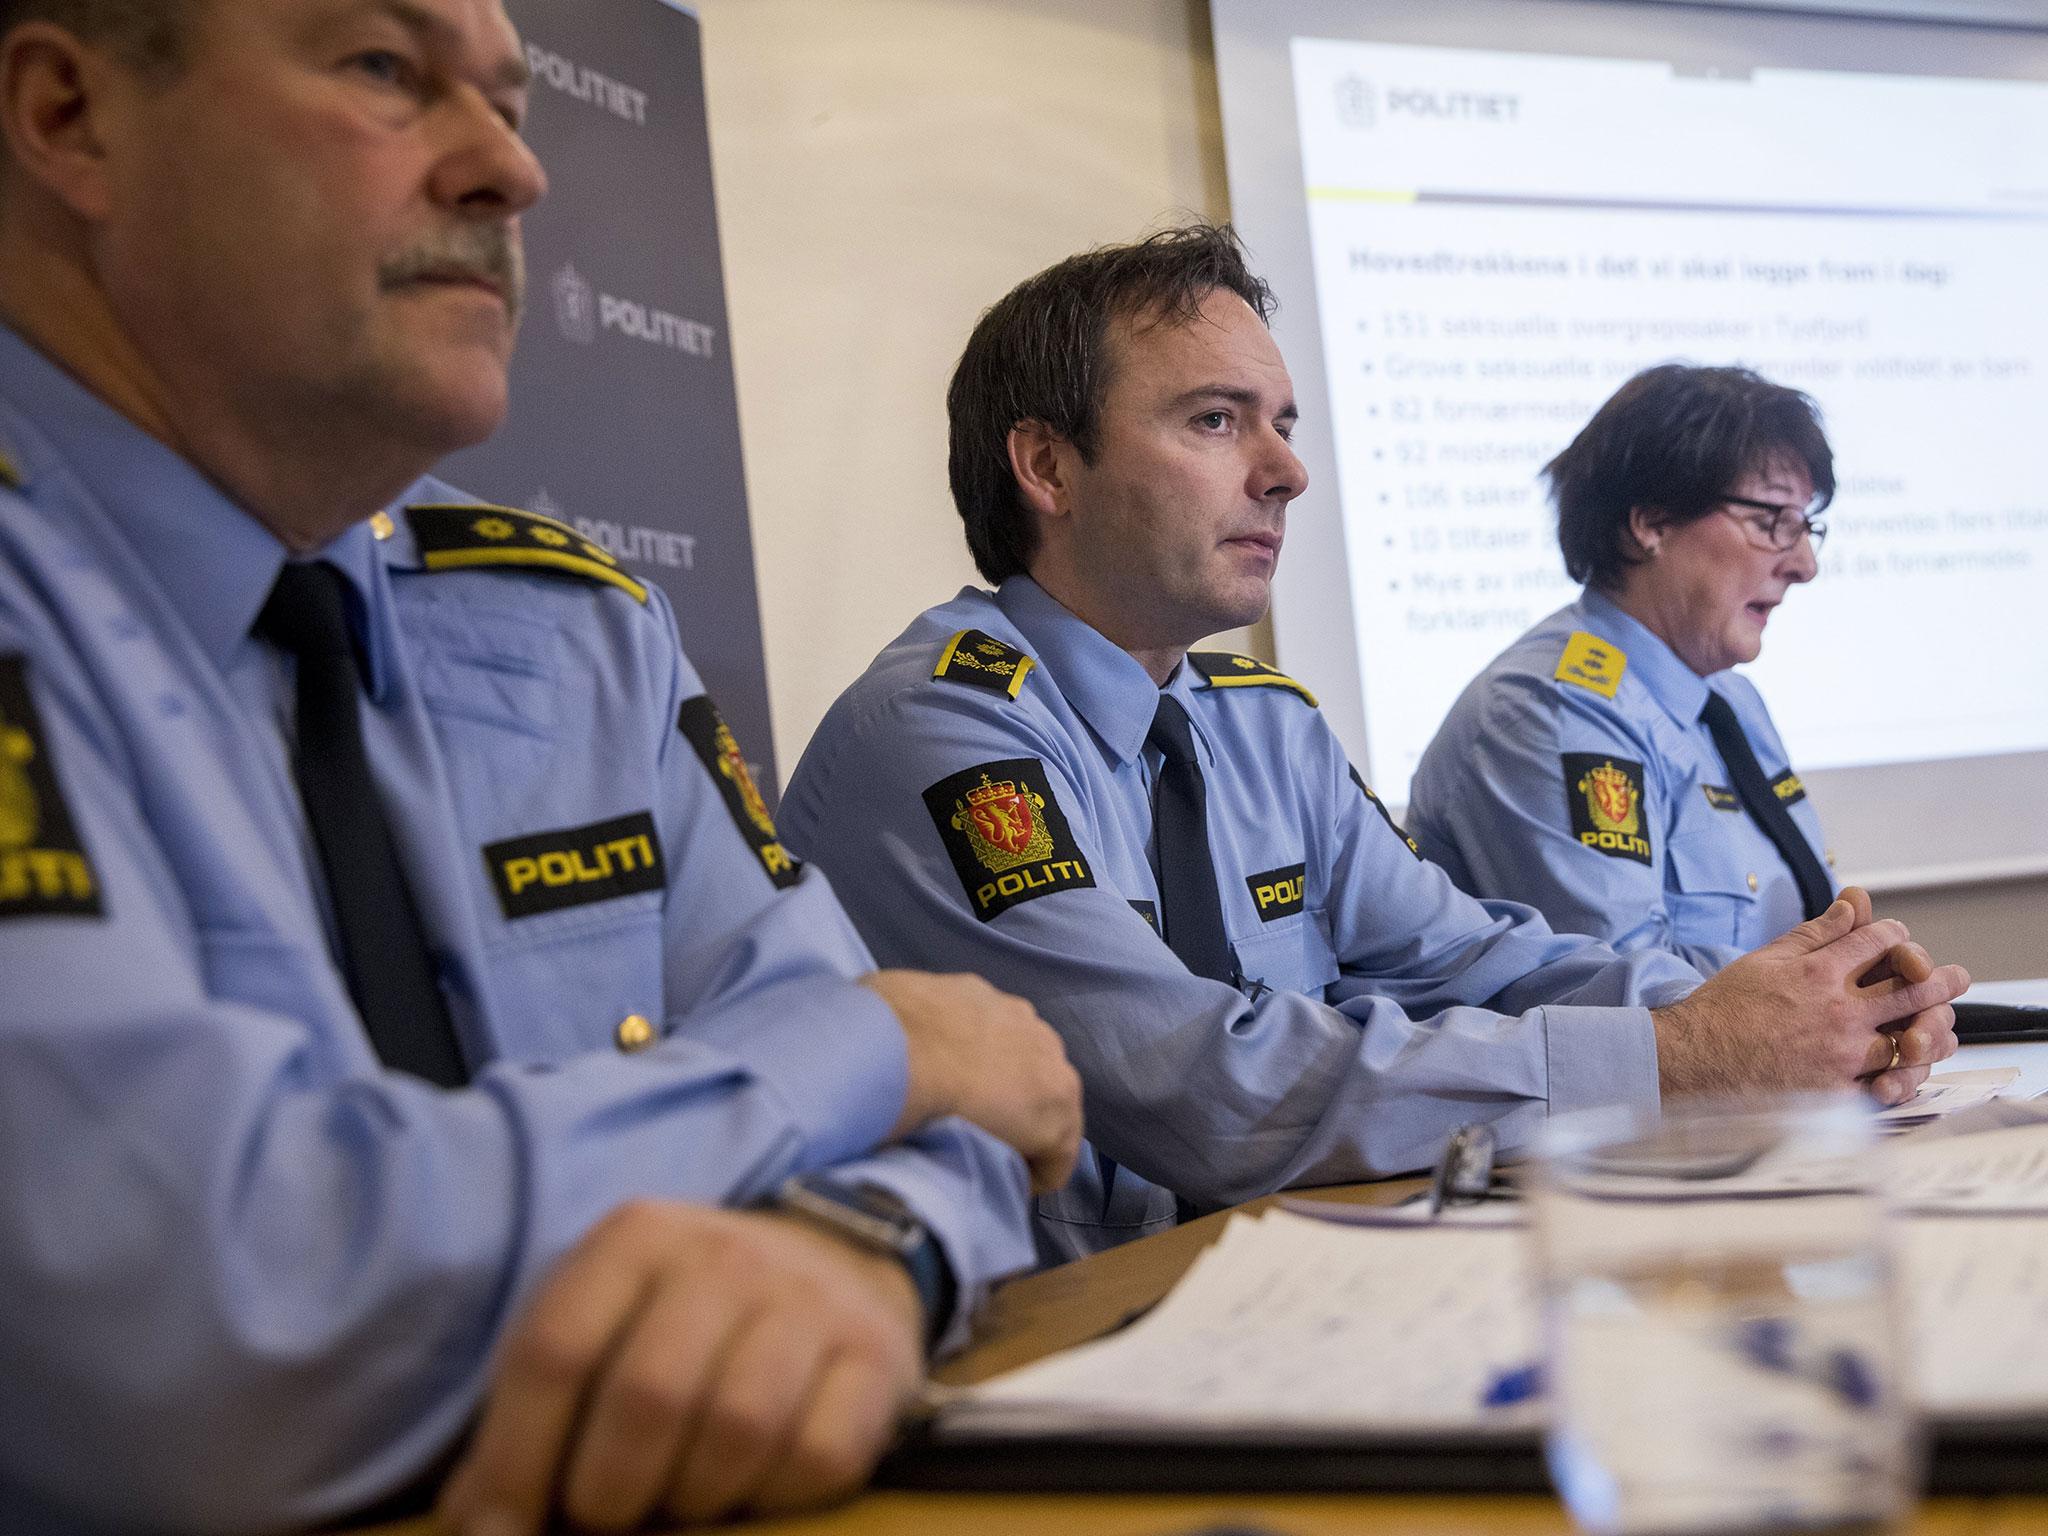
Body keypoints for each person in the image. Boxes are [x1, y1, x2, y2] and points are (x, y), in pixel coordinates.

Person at [0, 2, 1083, 1533]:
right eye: (386, 70)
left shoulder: (574, 630)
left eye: (509, 101)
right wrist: (861, 1056)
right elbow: (189, 1331)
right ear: (67, 116)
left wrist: (853, 1250)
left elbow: (970, 1130)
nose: (511, 166)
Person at [780, 224, 1965, 1264]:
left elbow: (1477, 959)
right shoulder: (941, 729)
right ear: (1045, 465)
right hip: (1042, 1334)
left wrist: (1806, 1010)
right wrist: (1686, 1054)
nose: (1286, 472)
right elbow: (1193, 1084)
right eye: (1213, 421)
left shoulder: (1259, 726)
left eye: (1283, 426)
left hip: (1285, 1277)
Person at [1407, 365, 1838, 974]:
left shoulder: (1733, 703)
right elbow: (1626, 993)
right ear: (1652, 523)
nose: (1804, 564)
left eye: (1805, 526)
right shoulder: (1549, 709)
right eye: (1772, 522)